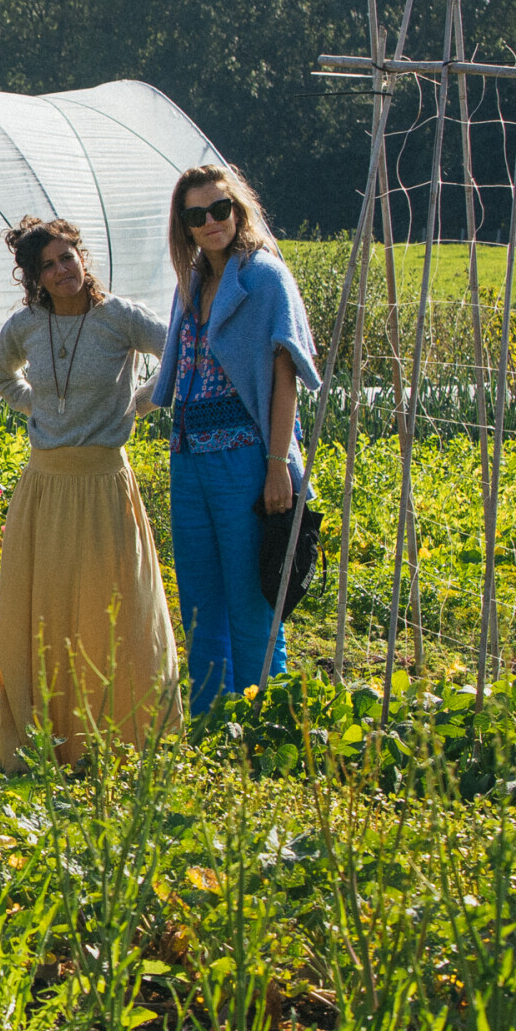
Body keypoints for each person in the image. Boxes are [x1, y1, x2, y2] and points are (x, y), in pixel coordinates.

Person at [0, 216, 180, 770]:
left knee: (110, 605)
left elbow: (179, 352)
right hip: (45, 484)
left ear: (82, 257)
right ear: (35, 278)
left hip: (102, 483)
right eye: (48, 265)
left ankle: (116, 737)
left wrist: (137, 404)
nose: (62, 270)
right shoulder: (24, 325)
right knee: (46, 606)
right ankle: (50, 738)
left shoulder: (118, 318)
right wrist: (37, 407)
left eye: (67, 257)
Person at [150, 163, 319, 720]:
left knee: (251, 598)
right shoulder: (192, 282)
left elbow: (284, 375)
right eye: (196, 216)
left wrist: (277, 465)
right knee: (201, 598)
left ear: (238, 209)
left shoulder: (263, 276)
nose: (211, 222)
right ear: (185, 225)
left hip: (246, 455)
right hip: (190, 456)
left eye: (219, 209)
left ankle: (263, 721)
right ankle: (210, 723)